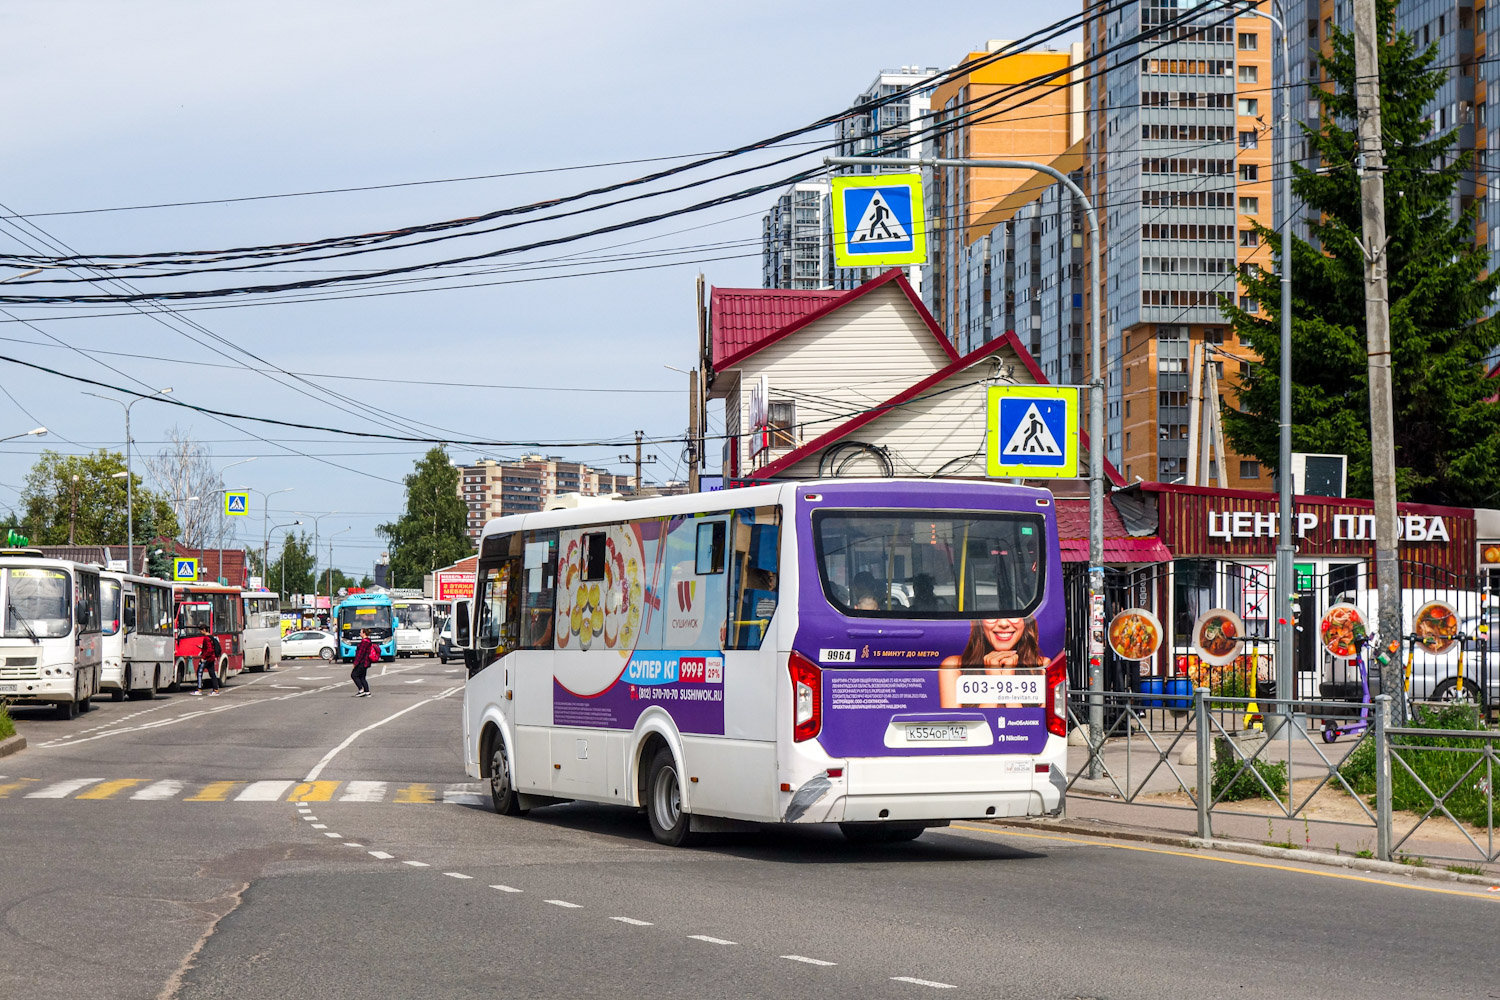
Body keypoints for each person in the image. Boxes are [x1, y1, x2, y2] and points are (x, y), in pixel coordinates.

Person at [938, 617, 1049, 708]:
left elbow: (1023, 730)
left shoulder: (1043, 666)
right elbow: (965, 730)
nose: (1003, 623)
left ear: (1026, 622)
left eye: (1013, 615)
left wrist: (1008, 681)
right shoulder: (953, 667)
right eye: (992, 615)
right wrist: (993, 681)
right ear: (980, 623)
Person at [192, 627, 222, 697]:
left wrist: (204, 657)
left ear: (204, 630)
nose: (200, 632)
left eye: (201, 630)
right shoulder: (211, 637)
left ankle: (199, 689)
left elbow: (209, 650)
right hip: (211, 658)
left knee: (199, 672)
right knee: (212, 673)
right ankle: (216, 690)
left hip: (207, 658)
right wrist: (202, 647)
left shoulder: (206, 638)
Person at [350, 628, 375, 697]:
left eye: (361, 632)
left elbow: (360, 654)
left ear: (364, 633)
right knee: (362, 677)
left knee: (354, 675)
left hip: (363, 662)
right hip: (366, 662)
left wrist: (355, 663)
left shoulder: (364, 642)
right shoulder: (368, 641)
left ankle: (361, 690)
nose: (360, 634)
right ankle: (367, 691)